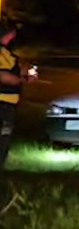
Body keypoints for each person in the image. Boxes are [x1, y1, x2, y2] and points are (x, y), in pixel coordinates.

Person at [0, 24, 35, 176]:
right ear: (9, 35)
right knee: (2, 138)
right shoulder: (1, 52)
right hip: (3, 103)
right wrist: (23, 80)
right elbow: (3, 76)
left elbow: (11, 69)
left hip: (8, 103)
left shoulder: (7, 53)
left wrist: (24, 70)